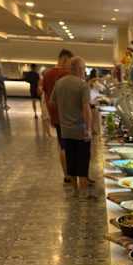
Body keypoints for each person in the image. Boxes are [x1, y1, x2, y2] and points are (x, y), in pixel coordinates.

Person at [50, 56, 93, 198]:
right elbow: (86, 109)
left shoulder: (59, 83)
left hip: (66, 131)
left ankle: (74, 192)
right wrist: (89, 129)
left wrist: (65, 111)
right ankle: (84, 193)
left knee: (71, 163)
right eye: (84, 68)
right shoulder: (82, 85)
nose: (84, 71)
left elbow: (52, 102)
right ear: (79, 69)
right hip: (81, 131)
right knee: (83, 164)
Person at [42, 49, 73, 184]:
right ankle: (70, 174)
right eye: (70, 62)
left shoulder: (47, 74)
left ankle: (66, 174)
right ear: (65, 59)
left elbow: (44, 93)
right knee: (67, 147)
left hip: (54, 115)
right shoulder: (66, 74)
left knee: (61, 145)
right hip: (67, 116)